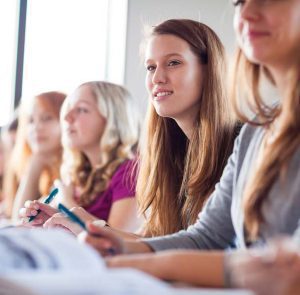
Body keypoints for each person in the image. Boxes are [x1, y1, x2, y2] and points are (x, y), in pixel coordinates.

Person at [78, 1, 300, 292]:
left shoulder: (236, 136)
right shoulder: (254, 132)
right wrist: (118, 246)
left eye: (173, 62)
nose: (245, 13)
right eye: (239, 2)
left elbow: (285, 270)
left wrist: (123, 260)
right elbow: (206, 237)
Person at [21, 19, 238, 238]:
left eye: (173, 63)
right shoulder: (167, 157)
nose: (157, 78)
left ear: (209, 69)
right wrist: (77, 225)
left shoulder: (239, 146)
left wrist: (88, 226)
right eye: (151, 67)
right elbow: (152, 240)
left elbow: (199, 247)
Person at [20, 81, 141, 232]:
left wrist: (67, 203)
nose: (67, 118)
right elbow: (19, 222)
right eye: (68, 110)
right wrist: (40, 218)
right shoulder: (75, 174)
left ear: (113, 120)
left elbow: (120, 243)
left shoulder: (130, 172)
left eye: (82, 110)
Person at [3, 92, 66, 219]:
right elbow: (19, 220)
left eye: (47, 118)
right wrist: (34, 166)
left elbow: (19, 222)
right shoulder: (39, 165)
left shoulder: (73, 173)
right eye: (31, 121)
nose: (36, 127)